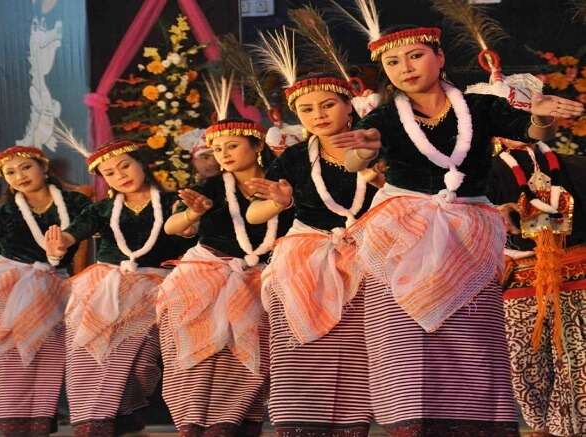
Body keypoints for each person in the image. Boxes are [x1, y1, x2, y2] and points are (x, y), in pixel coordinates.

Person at [340, 6, 584, 433]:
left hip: (469, 231)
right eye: (392, 62)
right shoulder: (381, 117)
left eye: (415, 56)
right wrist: (359, 150)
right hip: (405, 233)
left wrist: (542, 114)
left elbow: (532, 130)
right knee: (406, 337)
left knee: (471, 336)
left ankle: (474, 419)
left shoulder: (479, 105)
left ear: (440, 57)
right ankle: (409, 421)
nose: (404, 68)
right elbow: (357, 153)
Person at [244, 28, 379, 436]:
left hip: (368, 255)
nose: (318, 115)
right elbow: (254, 214)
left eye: (327, 105)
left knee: (358, 345)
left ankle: (353, 423)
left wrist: (379, 177)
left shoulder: (377, 142)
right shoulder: (296, 158)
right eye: (306, 110)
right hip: (305, 258)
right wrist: (279, 203)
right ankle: (299, 420)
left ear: (348, 107)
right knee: (301, 345)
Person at [157, 74, 292, 437]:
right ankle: (194, 421)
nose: (224, 155)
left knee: (248, 360)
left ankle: (232, 421)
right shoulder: (214, 187)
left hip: (260, 279)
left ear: (256, 145)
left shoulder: (282, 181)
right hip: (206, 276)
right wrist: (192, 214)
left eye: (232, 146)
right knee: (202, 355)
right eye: (218, 150)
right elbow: (172, 228)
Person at [45, 129, 195, 437]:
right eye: (109, 173)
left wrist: (193, 217)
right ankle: (93, 419)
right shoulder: (102, 209)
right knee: (93, 352)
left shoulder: (172, 202)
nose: (120, 175)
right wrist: (60, 245)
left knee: (141, 363)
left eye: (125, 166)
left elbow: (188, 230)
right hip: (106, 288)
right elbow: (74, 233)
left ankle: (126, 414)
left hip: (160, 287)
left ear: (141, 163)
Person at [0, 123, 91, 436]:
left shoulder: (75, 204)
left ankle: (38, 419)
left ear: (43, 168)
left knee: (47, 355)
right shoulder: (3, 212)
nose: (20, 176)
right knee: (6, 354)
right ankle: (11, 420)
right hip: (6, 284)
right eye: (11, 173)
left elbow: (89, 230)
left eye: (26, 167)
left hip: (53, 284)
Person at [489, 137, 586, 437]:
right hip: (519, 278)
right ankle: (541, 428)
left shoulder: (573, 164)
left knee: (578, 366)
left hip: (577, 273)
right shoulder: (480, 167)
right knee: (523, 366)